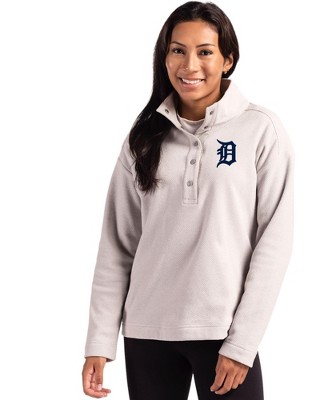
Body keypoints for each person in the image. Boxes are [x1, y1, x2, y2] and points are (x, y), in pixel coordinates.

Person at [82, 1, 294, 399]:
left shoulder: (260, 130)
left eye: (205, 52)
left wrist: (242, 343)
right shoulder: (143, 137)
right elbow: (118, 244)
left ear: (228, 60)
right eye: (178, 50)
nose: (189, 65)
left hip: (222, 331)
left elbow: (274, 242)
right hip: (147, 331)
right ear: (164, 58)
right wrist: (99, 340)